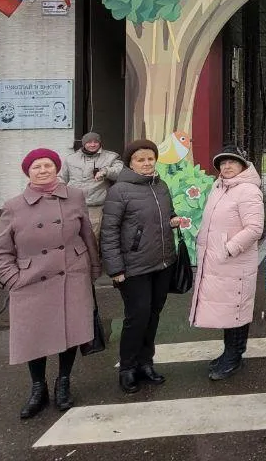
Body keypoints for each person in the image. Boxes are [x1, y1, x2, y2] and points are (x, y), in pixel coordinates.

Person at [0, 148, 101, 419]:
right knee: (34, 335)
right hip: (31, 279)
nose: (43, 170)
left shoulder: (75, 196)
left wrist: (93, 268)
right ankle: (37, 388)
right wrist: (12, 279)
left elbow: (87, 234)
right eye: (37, 167)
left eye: (48, 165)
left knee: (71, 331)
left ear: (56, 168)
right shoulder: (14, 206)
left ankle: (63, 382)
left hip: (71, 274)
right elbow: (2, 251)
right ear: (28, 172)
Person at [100, 139, 181, 394]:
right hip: (133, 267)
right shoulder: (119, 191)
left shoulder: (161, 186)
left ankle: (146, 363)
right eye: (140, 159)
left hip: (162, 263)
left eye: (150, 158)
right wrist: (115, 269)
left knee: (153, 315)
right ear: (130, 163)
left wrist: (173, 220)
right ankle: (127, 368)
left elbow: (166, 215)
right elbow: (109, 232)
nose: (146, 163)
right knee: (137, 317)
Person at [190, 144, 264, 381]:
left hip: (234, 262)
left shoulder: (248, 191)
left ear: (243, 165)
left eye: (232, 162)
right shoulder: (219, 187)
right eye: (223, 163)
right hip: (219, 263)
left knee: (236, 309)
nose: (227, 166)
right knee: (227, 310)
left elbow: (254, 228)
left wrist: (229, 248)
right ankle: (229, 352)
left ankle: (234, 356)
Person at [59, 131, 123, 235]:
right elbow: (62, 178)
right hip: (73, 204)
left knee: (92, 237)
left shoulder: (111, 157)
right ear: (84, 143)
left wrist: (106, 171)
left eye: (95, 142)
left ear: (100, 143)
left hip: (95, 206)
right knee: (72, 234)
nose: (92, 145)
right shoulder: (71, 158)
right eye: (89, 142)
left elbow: (120, 171)